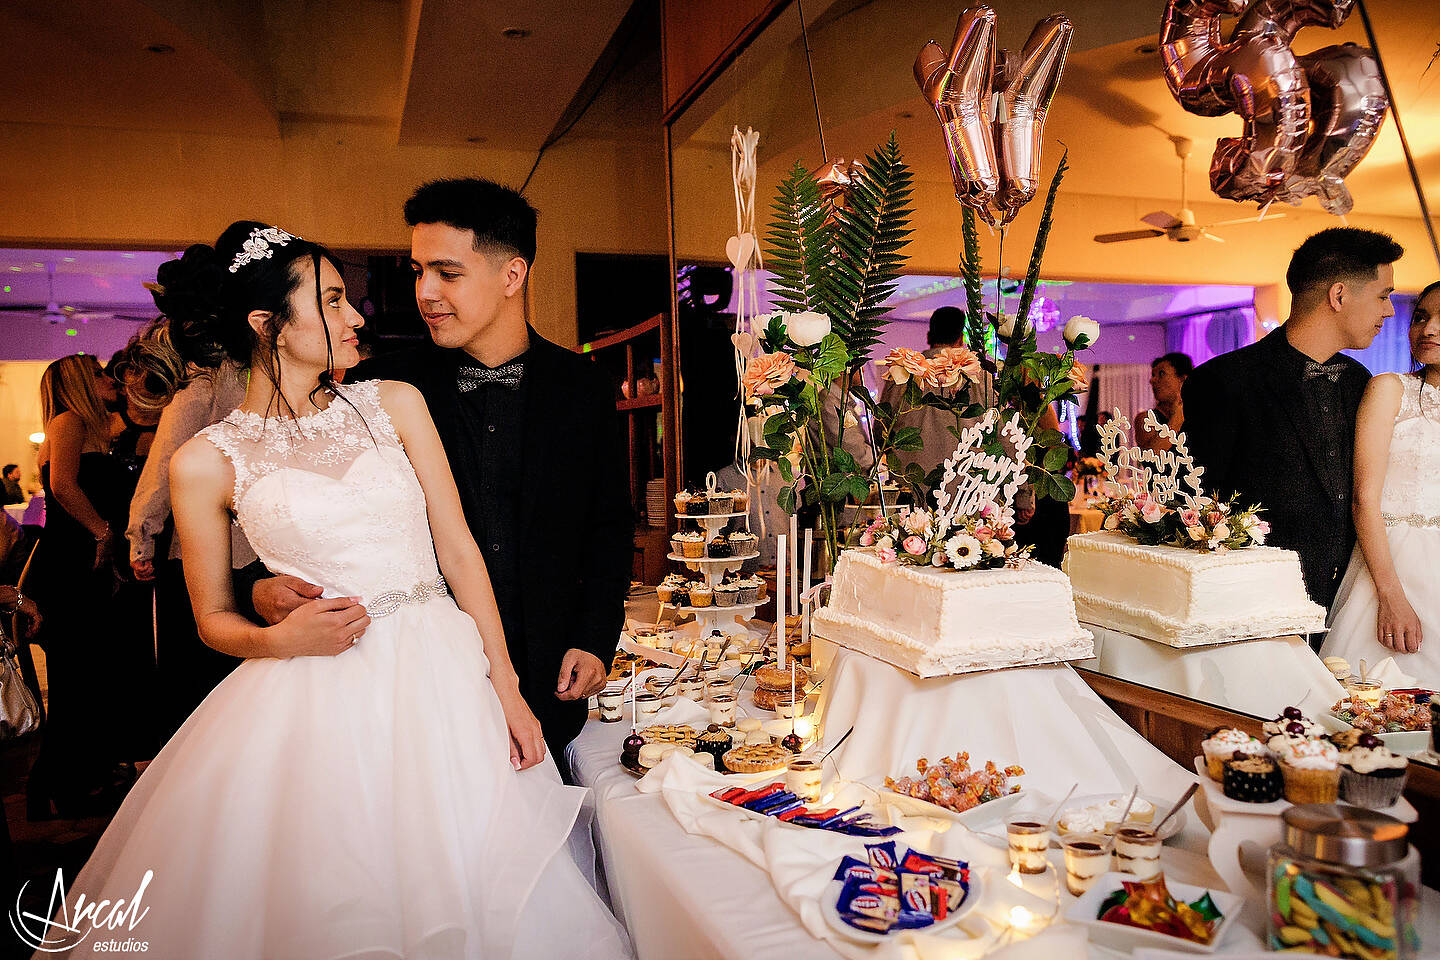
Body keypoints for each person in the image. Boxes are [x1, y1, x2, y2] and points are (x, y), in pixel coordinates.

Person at [54, 221, 631, 958]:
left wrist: (509, 691)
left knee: (476, 880)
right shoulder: (205, 460)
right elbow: (211, 620)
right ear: (269, 324)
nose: (357, 316)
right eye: (330, 301)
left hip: (444, 678)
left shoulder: (393, 403)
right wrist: (274, 637)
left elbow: (457, 550)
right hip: (318, 697)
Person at [248, 179, 632, 779]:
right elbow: (281, 494)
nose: (425, 293)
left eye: (447, 273)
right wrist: (260, 588)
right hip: (410, 682)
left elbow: (609, 525)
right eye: (418, 270)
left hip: (546, 672)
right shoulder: (374, 388)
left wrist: (594, 635)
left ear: (512, 275)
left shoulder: (582, 387)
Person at [1183, 227, 1401, 619]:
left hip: (1350, 603)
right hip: (1255, 603)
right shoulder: (1224, 381)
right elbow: (1198, 506)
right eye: (1383, 296)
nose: (1390, 311)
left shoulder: (1362, 382)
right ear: (1339, 295)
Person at [26, 355, 133, 818]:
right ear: (77, 382)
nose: (109, 378)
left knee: (85, 676)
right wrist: (102, 532)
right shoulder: (67, 421)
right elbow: (64, 485)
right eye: (98, 372)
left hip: (78, 559)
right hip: (68, 562)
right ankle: (58, 788)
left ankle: (67, 782)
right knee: (75, 680)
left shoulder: (95, 428)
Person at [1321, 281, 1440, 685]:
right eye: (1421, 316)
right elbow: (1363, 499)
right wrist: (1391, 596)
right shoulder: (1390, 389)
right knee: (1370, 711)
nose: (1428, 329)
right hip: (1392, 570)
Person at [126, 358, 250, 739]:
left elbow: (166, 461)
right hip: (268, 545)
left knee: (201, 677)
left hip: (209, 544)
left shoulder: (205, 382)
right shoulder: (273, 373)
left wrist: (141, 536)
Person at [1135, 352, 1192, 453]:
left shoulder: (1201, 414)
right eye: (1153, 375)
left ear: (1182, 379)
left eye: (1161, 374)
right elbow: (1151, 459)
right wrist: (1175, 420)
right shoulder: (1147, 419)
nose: (1152, 380)